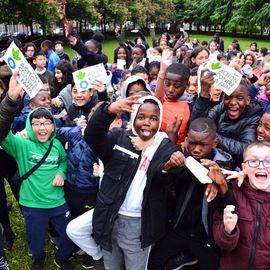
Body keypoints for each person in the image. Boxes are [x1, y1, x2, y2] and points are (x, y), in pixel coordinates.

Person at [83, 95, 183, 270]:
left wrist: (166, 162)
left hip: (140, 225)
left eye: (153, 119)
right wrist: (108, 110)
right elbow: (92, 135)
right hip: (110, 217)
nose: (146, 123)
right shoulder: (119, 138)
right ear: (133, 116)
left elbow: (165, 179)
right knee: (111, 264)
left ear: (160, 122)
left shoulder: (165, 147)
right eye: (141, 117)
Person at [0, 73, 75, 270]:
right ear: (29, 125)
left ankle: (62, 257)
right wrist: (10, 100)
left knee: (71, 237)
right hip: (32, 205)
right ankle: (38, 260)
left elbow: (63, 161)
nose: (42, 128)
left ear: (53, 126)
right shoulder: (21, 144)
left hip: (58, 202)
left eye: (46, 123)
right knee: (35, 240)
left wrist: (61, 171)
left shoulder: (57, 145)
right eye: (36, 123)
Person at [148, 118, 234, 270]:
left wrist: (220, 183)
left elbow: (228, 206)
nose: (196, 149)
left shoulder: (224, 165)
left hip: (206, 236)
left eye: (203, 145)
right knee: (153, 262)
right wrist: (168, 165)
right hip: (179, 229)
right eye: (193, 143)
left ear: (214, 143)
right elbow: (159, 181)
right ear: (186, 140)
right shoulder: (182, 158)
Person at [213, 141, 270, 269]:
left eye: (268, 161)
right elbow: (222, 243)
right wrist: (227, 231)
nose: (261, 166)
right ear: (244, 168)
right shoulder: (233, 192)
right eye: (253, 161)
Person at [191, 76, 263, 168]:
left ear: (247, 100)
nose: (233, 102)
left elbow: (246, 150)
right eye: (228, 97)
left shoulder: (254, 117)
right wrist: (204, 95)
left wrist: (211, 136)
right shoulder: (221, 108)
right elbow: (197, 126)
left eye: (240, 98)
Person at [155, 50, 191, 145]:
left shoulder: (190, 105)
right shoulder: (162, 102)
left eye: (177, 86)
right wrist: (162, 71)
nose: (170, 89)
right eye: (167, 84)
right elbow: (157, 98)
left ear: (187, 85)